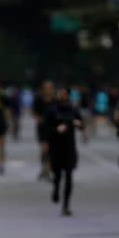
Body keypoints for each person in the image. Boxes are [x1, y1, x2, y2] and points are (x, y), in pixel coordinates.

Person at [44, 85, 84, 216]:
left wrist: (79, 124)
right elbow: (46, 128)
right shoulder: (52, 110)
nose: (62, 96)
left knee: (69, 176)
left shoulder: (73, 109)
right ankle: (56, 189)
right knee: (57, 175)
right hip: (56, 147)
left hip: (69, 148)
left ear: (68, 95)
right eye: (60, 93)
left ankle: (66, 205)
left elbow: (82, 124)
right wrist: (56, 129)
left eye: (64, 93)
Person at [32, 80, 55, 181]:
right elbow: (34, 112)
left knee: (51, 150)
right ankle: (44, 169)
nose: (48, 90)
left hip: (53, 128)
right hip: (42, 128)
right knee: (44, 149)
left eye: (50, 88)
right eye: (46, 88)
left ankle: (49, 170)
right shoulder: (39, 100)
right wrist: (38, 118)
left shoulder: (55, 100)